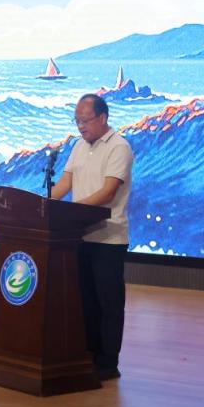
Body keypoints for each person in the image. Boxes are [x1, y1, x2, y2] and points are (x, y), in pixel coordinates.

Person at [50, 93, 133, 381]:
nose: (80, 126)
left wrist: (73, 210)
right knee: (85, 300)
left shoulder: (119, 147)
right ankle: (87, 355)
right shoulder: (78, 146)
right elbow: (65, 183)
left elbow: (108, 192)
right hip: (80, 237)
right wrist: (42, 203)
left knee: (108, 304)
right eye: (77, 121)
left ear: (103, 118)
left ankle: (108, 363)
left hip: (109, 239)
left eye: (85, 120)